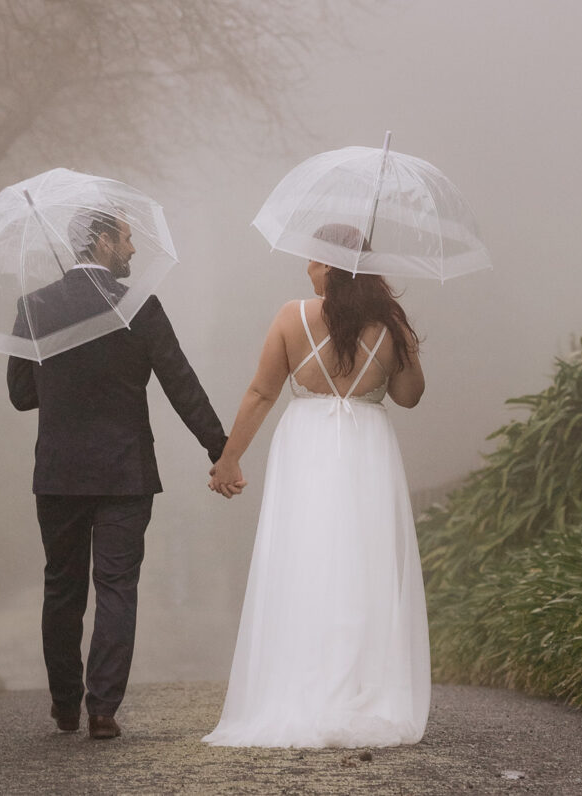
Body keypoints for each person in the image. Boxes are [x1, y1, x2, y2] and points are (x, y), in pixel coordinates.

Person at [203, 223, 430, 748]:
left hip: (306, 447)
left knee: (305, 560)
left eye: (312, 259)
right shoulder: (387, 325)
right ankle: (361, 691)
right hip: (367, 449)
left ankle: (301, 688)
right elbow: (409, 396)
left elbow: (262, 392)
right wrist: (405, 344)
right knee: (363, 563)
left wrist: (228, 460)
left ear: (328, 265)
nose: (306, 267)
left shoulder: (292, 317)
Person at [8, 209, 229, 740]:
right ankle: (102, 708)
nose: (133, 250)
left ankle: (65, 705)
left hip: (59, 473)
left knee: (62, 588)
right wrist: (220, 449)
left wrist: (61, 382)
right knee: (116, 587)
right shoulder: (138, 305)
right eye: (127, 239)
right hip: (126, 473)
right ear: (103, 242)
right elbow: (180, 382)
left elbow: (20, 396)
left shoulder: (34, 307)